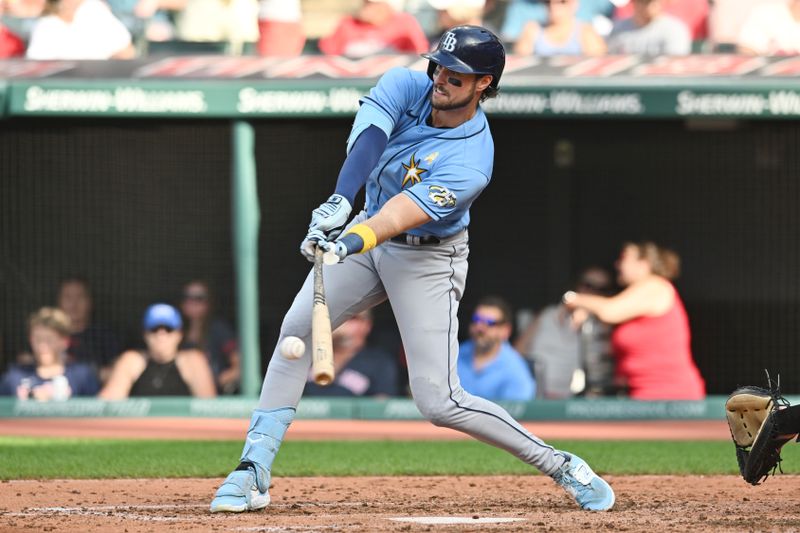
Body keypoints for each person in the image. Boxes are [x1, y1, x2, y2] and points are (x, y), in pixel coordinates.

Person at [209, 25, 614, 514]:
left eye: (458, 75)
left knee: (439, 401)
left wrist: (345, 243)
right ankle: (253, 470)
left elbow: (400, 215)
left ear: (484, 83)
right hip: (363, 228)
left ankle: (561, 465)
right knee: (296, 330)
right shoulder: (406, 84)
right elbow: (369, 139)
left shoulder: (472, 160)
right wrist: (340, 203)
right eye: (440, 65)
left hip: (427, 258)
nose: (442, 78)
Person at [563, 241, 705, 400]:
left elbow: (610, 310)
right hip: (641, 395)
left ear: (644, 264)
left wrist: (573, 299)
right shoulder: (636, 299)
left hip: (670, 395)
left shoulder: (655, 286)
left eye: (624, 258)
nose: (618, 265)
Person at [514, 267, 614, 399]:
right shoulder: (547, 314)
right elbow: (516, 352)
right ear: (578, 285)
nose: (592, 292)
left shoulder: (604, 328)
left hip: (573, 402)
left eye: (601, 289)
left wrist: (588, 315)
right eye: (588, 285)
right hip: (535, 396)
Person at [99, 303, 216, 399]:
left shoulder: (192, 361)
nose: (161, 334)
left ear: (179, 335)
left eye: (168, 329)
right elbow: (108, 404)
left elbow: (209, 408)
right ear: (145, 335)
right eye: (154, 329)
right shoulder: (133, 361)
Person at [0, 307, 99, 400]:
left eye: (49, 340)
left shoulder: (82, 375)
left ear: (64, 341)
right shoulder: (14, 376)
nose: (42, 346)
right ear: (30, 340)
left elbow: (95, 413)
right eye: (38, 339)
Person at [303, 310, 400, 397]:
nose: (341, 323)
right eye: (335, 317)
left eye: (351, 318)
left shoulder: (379, 362)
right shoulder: (306, 355)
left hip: (357, 417)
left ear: (366, 325)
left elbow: (383, 407)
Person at [457, 296, 536, 401]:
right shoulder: (455, 355)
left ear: (506, 330)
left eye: (490, 323)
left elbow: (518, 414)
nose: (480, 327)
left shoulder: (515, 368)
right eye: (476, 320)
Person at [179, 280, 240, 394]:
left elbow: (239, 368)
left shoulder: (219, 330)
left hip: (214, 400)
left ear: (208, 302)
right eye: (187, 297)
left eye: (199, 298)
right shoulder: (173, 331)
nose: (192, 302)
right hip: (183, 397)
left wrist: (214, 381)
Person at [57, 276, 121, 384]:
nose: (74, 304)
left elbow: (117, 373)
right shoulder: (49, 336)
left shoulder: (104, 336)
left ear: (90, 301)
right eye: (68, 297)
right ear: (59, 302)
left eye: (80, 297)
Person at [25, 0, 135, 59]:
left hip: (97, 87)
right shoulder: (46, 23)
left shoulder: (95, 10)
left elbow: (127, 53)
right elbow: (36, 63)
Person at [318, 0, 430, 57]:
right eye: (365, 3)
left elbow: (420, 54)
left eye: (371, 3)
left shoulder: (404, 22)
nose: (365, 7)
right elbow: (328, 54)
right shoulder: (348, 23)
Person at [513, 0, 607, 57]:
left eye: (561, 1)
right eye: (548, 1)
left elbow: (598, 66)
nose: (553, 6)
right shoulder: (532, 29)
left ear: (574, 3)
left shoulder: (586, 31)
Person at [607, 0, 691, 55]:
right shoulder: (619, 28)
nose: (652, 5)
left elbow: (673, 67)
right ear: (634, 3)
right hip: (626, 81)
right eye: (644, 2)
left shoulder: (674, 29)